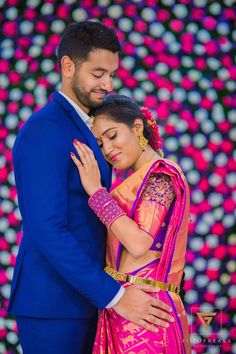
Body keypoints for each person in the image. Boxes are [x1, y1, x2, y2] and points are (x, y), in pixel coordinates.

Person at [8, 21, 174, 354]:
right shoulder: (44, 130)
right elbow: (47, 229)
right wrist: (115, 296)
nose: (107, 84)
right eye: (98, 73)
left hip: (91, 301)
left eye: (112, 74)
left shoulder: (97, 126)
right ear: (68, 66)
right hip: (56, 307)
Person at [71, 94, 191, 353]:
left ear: (137, 127)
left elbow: (138, 244)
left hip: (148, 314)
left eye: (112, 136)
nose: (108, 150)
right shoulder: (136, 182)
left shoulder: (161, 176)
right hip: (127, 306)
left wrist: (96, 193)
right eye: (100, 144)